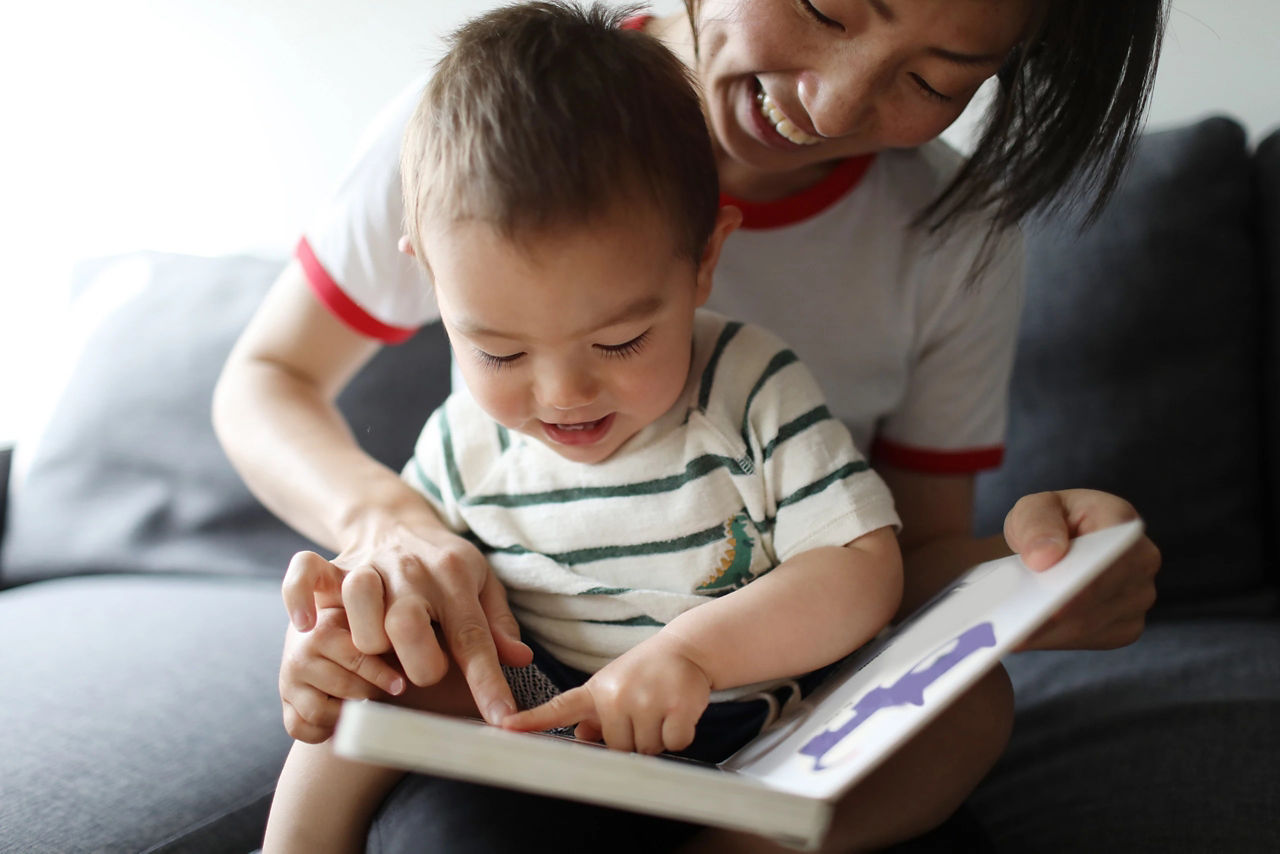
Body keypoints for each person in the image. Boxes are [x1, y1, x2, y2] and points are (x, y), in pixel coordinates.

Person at [213, 0, 1166, 851]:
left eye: (931, 78)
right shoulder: (477, 125)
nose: (831, 106)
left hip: (767, 699)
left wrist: (1029, 575)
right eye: (826, 10)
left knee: (969, 710)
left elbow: (884, 564)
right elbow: (265, 380)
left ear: (707, 260)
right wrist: (376, 555)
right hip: (542, 706)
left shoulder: (807, 337)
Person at [259, 5, 906, 850]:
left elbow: (863, 565)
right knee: (365, 692)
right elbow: (409, 601)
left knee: (972, 714)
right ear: (431, 282)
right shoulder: (462, 441)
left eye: (620, 341)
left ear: (705, 258)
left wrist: (698, 657)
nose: (563, 393)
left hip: (752, 732)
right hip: (541, 732)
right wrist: (338, 645)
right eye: (497, 351)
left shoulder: (750, 385)